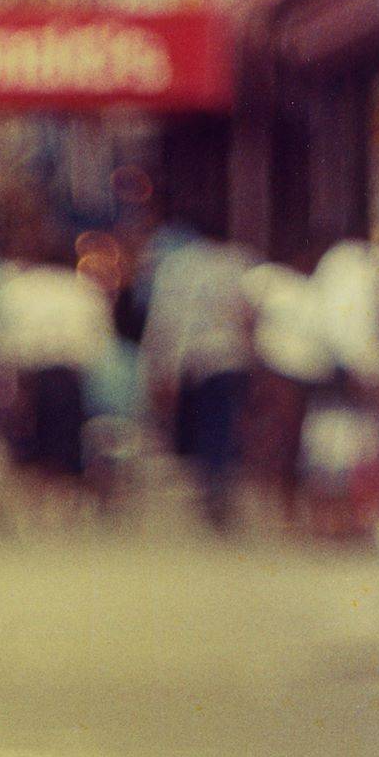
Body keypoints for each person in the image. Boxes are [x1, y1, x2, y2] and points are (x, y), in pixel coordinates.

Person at [0, 228, 114, 505]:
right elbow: (99, 344)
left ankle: (37, 493)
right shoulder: (84, 290)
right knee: (66, 437)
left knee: (31, 439)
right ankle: (63, 493)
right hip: (67, 375)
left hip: (30, 376)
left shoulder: (16, 289)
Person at [141, 218, 256, 527]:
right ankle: (218, 484)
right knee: (224, 423)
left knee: (206, 424)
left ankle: (213, 484)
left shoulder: (179, 265)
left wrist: (163, 366)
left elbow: (166, 317)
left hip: (196, 358)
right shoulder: (241, 261)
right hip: (231, 357)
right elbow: (251, 313)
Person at [243, 242, 334, 520]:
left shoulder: (317, 290)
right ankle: (268, 489)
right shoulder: (269, 278)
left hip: (307, 371)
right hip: (274, 366)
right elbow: (244, 313)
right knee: (277, 428)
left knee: (294, 435)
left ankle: (286, 497)